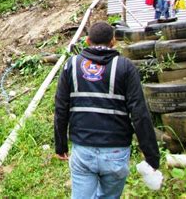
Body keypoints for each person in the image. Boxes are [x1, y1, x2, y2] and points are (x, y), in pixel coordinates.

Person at [54, 21, 160, 199]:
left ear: (87, 41)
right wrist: (151, 155)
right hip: (116, 153)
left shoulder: (71, 66)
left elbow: (61, 107)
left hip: (83, 150)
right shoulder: (125, 67)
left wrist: (60, 145)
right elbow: (139, 113)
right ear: (114, 41)